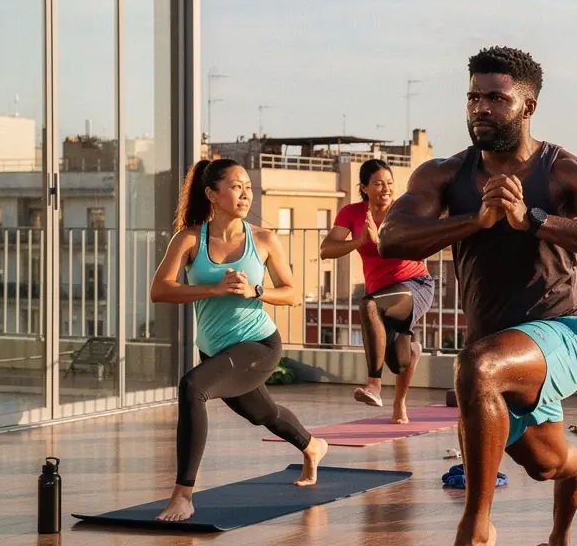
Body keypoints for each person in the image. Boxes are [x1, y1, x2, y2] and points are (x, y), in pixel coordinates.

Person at [380, 46, 577, 546]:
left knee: (475, 366)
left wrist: (534, 221)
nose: (481, 108)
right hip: (495, 352)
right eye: (474, 97)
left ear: (528, 106)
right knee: (549, 464)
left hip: (560, 331)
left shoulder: (567, 171)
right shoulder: (445, 175)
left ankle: (477, 529)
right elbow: (391, 240)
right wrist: (473, 220)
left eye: (496, 98)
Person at [150, 158, 329, 521]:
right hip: (216, 348)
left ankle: (183, 494)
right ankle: (312, 446)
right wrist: (213, 289)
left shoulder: (263, 239)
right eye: (236, 186)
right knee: (263, 413)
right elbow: (160, 290)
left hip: (259, 344)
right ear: (211, 194)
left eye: (248, 186)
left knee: (192, 388)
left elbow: (293, 294)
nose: (246, 193)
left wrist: (257, 290)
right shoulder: (188, 239)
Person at [321, 159, 435, 424]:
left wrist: (380, 242)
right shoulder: (351, 213)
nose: (386, 189)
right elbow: (326, 249)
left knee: (368, 305)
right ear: (364, 187)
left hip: (414, 285)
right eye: (378, 183)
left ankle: (378, 388)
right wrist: (359, 241)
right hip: (382, 292)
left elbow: (417, 249)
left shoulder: (402, 211)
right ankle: (413, 350)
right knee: (400, 362)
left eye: (390, 183)